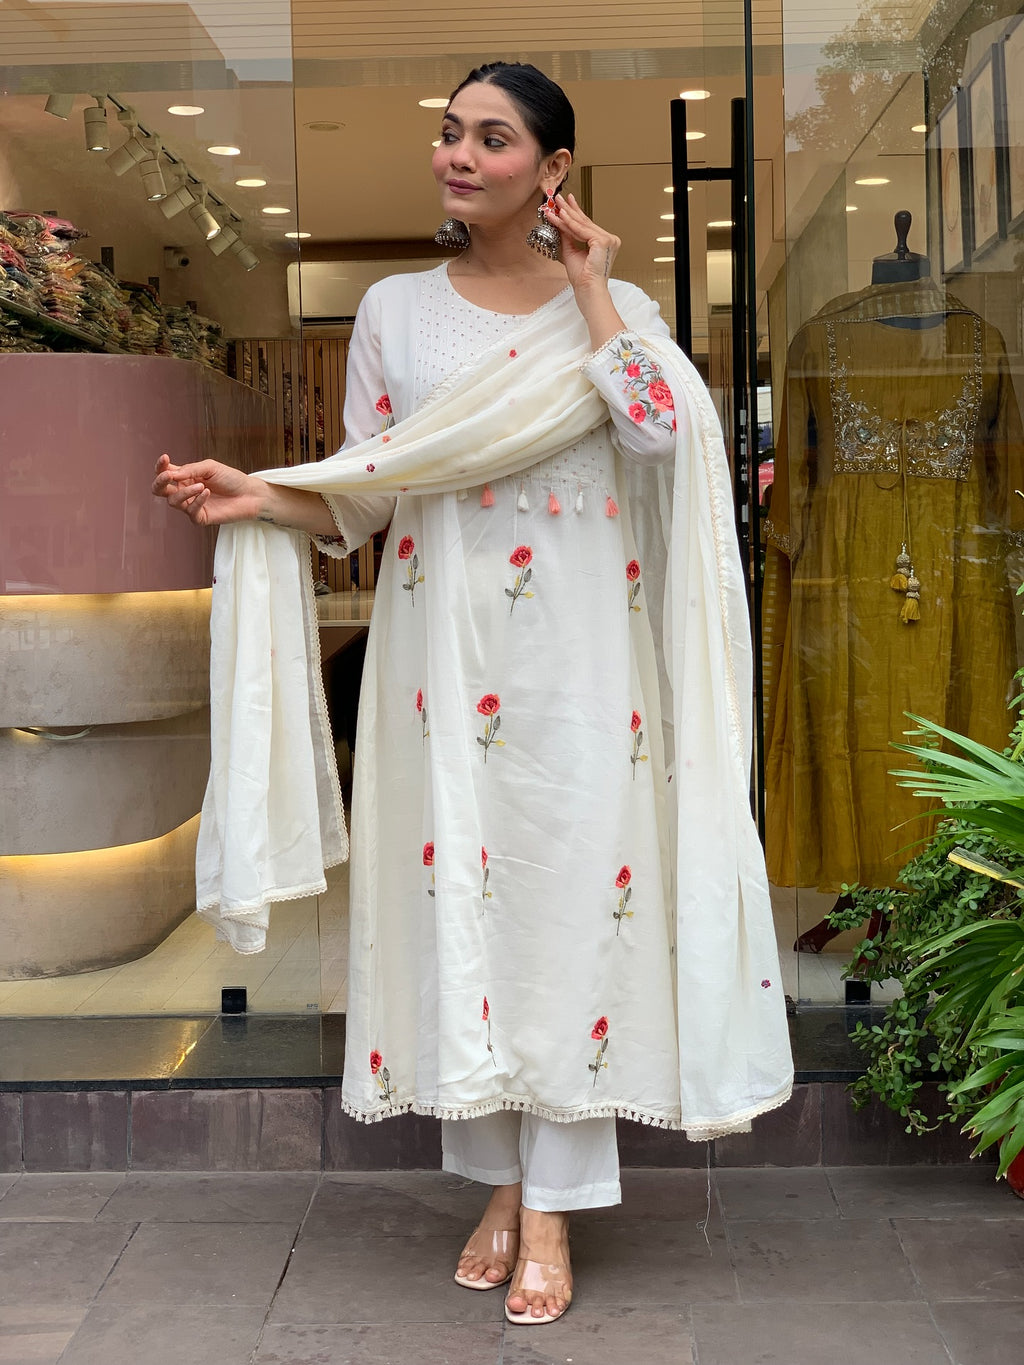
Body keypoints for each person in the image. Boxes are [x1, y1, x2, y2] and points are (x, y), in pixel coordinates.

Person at [153, 62, 792, 1327]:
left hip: (583, 672)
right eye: (449, 131)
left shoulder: (617, 307)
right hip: (439, 670)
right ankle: (498, 1183)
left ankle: (552, 1200)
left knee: (573, 909)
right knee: (465, 914)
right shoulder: (392, 311)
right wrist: (260, 495)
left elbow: (663, 433)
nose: (456, 154)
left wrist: (594, 284)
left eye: (491, 139)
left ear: (550, 170)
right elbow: (374, 486)